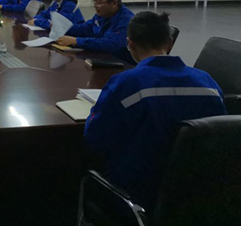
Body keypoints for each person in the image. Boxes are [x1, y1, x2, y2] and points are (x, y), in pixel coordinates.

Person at [84, 11, 227, 211]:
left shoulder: (126, 83)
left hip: (137, 195)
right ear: (169, 43)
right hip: (198, 192)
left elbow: (95, 138)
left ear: (130, 44)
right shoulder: (207, 81)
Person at [56, 0, 135, 64]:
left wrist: (76, 41)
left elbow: (111, 44)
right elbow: (84, 29)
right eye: (94, 1)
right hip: (102, 58)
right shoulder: (101, 15)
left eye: (99, 2)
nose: (95, 6)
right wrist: (62, 28)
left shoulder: (127, 20)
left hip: (122, 64)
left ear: (114, 3)